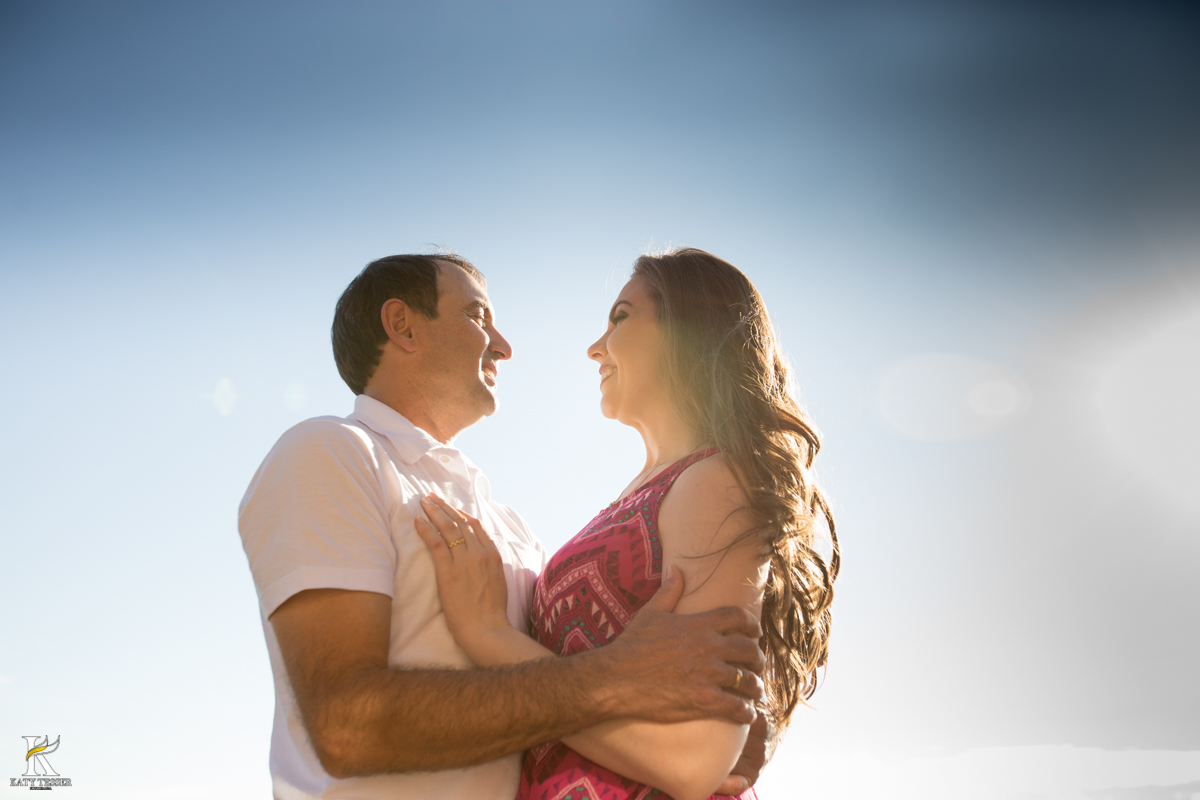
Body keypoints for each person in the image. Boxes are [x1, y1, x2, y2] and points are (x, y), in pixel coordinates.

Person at [238, 253, 770, 800]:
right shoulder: (331, 452)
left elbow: (562, 683)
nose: (504, 345)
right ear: (403, 325)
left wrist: (731, 715)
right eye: (477, 316)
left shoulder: (513, 529)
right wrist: (612, 678)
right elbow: (347, 727)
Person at [413, 248, 840, 800]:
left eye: (620, 318)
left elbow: (694, 762)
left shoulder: (714, 481)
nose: (596, 347)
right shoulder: (647, 491)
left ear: (687, 330)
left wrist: (489, 636)